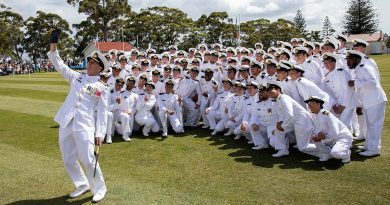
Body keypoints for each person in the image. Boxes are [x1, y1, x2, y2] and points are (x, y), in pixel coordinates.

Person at [47, 29, 107, 203]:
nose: (89, 64)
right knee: (68, 157)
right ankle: (81, 184)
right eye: (89, 61)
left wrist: (100, 134)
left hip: (85, 124)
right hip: (67, 121)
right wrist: (53, 44)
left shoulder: (102, 87)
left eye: (93, 63)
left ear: (99, 68)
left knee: (88, 158)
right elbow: (59, 65)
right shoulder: (77, 77)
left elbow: (103, 113)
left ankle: (100, 187)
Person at [346, 50, 387, 156]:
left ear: (356, 59)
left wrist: (355, 83)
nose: (347, 62)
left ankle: (374, 149)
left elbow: (373, 82)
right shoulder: (359, 68)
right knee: (370, 125)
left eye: (349, 60)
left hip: (375, 100)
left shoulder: (364, 67)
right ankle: (368, 145)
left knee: (374, 125)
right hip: (369, 101)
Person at [305, 96, 353, 163]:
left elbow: (335, 132)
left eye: (312, 103)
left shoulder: (326, 114)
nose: (309, 105)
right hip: (331, 138)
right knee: (314, 138)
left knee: (336, 154)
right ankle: (326, 154)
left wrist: (323, 138)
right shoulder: (314, 115)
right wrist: (318, 135)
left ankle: (346, 153)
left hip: (342, 137)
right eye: (308, 103)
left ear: (318, 104)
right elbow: (317, 129)